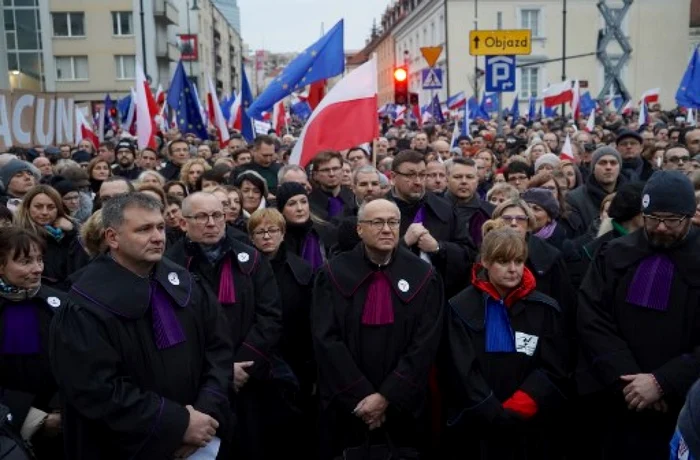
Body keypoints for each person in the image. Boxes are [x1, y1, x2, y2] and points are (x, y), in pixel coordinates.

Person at [50, 193, 233, 459]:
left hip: (202, 437)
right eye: (144, 229)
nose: (159, 237)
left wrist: (204, 415)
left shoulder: (185, 283)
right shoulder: (85, 305)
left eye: (160, 227)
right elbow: (96, 389)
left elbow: (219, 349)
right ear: (113, 238)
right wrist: (177, 424)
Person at [577, 171, 700, 458]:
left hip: (685, 407)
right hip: (620, 399)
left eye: (672, 220)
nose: (660, 228)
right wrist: (631, 383)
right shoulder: (615, 253)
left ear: (690, 215)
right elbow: (592, 317)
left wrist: (663, 382)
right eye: (652, 217)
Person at [312, 198, 444, 459]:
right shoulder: (332, 274)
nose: (387, 229)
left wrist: (387, 397)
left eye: (393, 222)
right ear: (360, 229)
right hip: (348, 404)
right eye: (377, 222)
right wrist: (362, 396)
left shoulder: (424, 277)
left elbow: (425, 343)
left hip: (403, 405)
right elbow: (326, 339)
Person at [165, 191, 283, 459]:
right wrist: (220, 371)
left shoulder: (251, 259)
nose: (211, 223)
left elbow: (270, 316)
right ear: (184, 223)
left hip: (248, 380)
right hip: (197, 384)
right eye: (202, 217)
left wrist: (241, 365)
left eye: (217, 215)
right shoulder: (169, 266)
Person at [442, 225, 568, 459]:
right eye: (503, 261)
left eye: (519, 261)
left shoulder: (545, 309)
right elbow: (459, 368)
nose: (513, 269)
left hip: (529, 425)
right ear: (486, 262)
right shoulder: (460, 307)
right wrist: (490, 409)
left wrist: (520, 405)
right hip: (475, 424)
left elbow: (555, 366)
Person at [0, 228, 66, 458]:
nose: (37, 269)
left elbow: (79, 358)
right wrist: (35, 418)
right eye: (26, 261)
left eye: (40, 260)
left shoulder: (60, 303)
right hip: (15, 430)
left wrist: (61, 408)